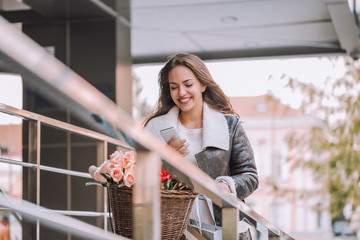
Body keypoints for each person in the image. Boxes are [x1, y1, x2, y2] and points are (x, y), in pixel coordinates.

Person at [144, 52, 258, 238]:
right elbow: (138, 178)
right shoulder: (156, 128)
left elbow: (250, 176)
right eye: (174, 87)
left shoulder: (229, 125)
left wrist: (226, 186)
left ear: (203, 84)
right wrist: (164, 157)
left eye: (188, 84)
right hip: (172, 230)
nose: (181, 93)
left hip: (222, 229)